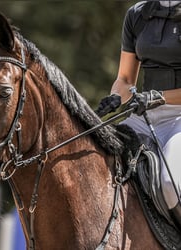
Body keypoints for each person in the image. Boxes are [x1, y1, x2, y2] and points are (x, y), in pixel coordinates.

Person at [96, 0, 181, 226]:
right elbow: (124, 80)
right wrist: (116, 97)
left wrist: (159, 96)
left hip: (178, 119)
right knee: (95, 156)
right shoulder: (137, 14)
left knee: (169, 184)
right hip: (144, 115)